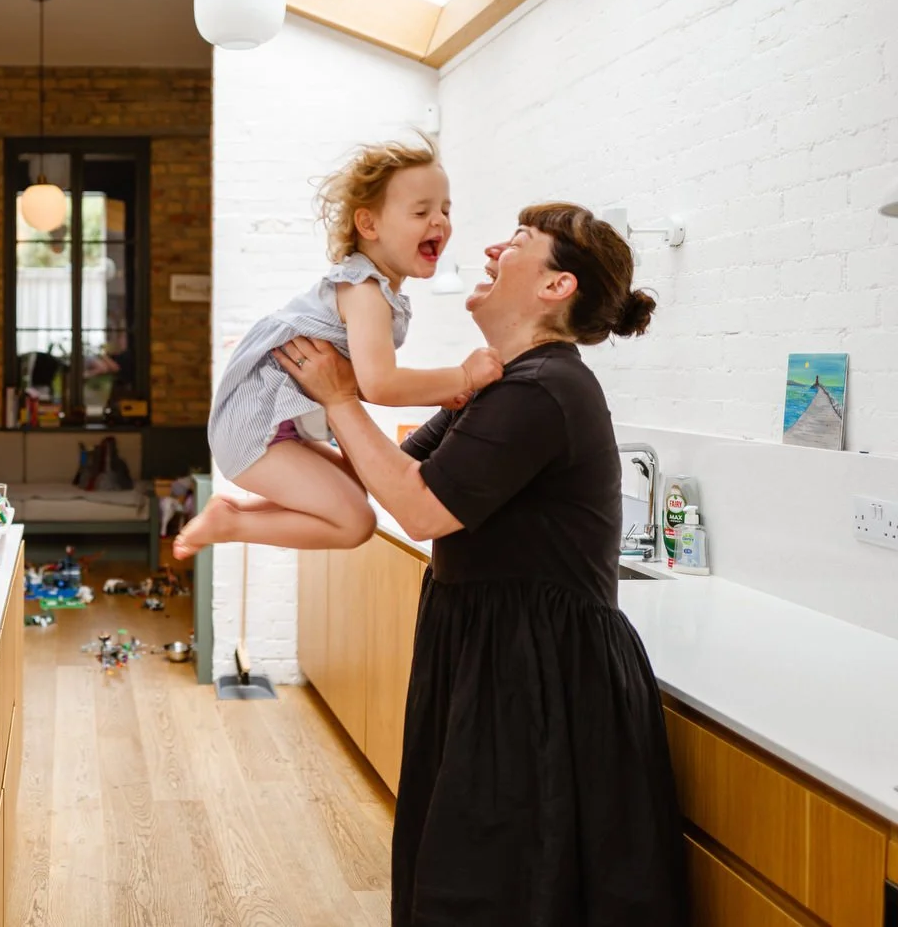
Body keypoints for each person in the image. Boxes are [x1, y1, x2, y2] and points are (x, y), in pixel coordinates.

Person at [275, 202, 687, 926]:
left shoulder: (545, 389)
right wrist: (276, 435)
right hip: (491, 651)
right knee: (468, 868)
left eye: (520, 242)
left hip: (544, 674)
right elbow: (389, 471)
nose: (492, 247)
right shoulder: (501, 383)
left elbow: (422, 508)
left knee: (496, 883)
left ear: (557, 287)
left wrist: (342, 398)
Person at [175, 137, 502, 559]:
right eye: (421, 211)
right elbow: (380, 385)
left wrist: (443, 389)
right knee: (355, 523)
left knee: (359, 487)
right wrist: (462, 376)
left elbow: (359, 383)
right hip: (254, 428)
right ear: (369, 226)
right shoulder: (363, 289)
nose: (439, 221)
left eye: (445, 209)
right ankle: (232, 522)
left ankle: (233, 513)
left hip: (275, 423)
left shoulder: (372, 290)